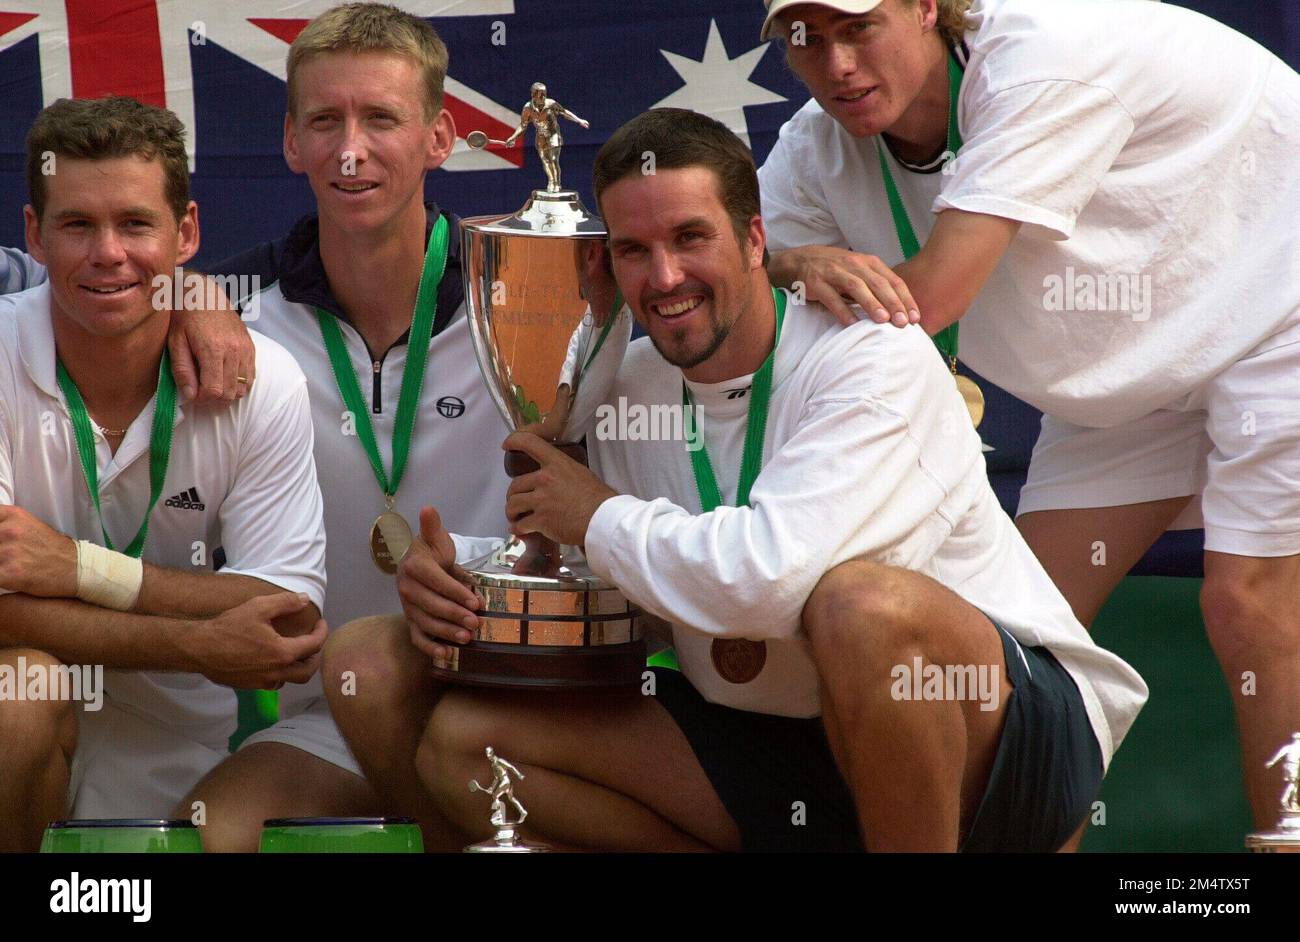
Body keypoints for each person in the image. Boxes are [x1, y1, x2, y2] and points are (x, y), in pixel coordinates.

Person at [325, 108, 1147, 852]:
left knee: (862, 609)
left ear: (757, 242)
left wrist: (598, 515)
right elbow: (622, 584)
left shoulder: (872, 359)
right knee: (430, 710)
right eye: (633, 251)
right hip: (780, 740)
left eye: (691, 238)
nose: (666, 277)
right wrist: (466, 580)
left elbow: (767, 578)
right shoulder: (629, 385)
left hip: (996, 737)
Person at [756, 0, 1300, 830]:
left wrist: (787, 273)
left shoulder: (1040, 59)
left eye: (859, 28)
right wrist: (788, 260)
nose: (836, 66)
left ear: (927, 8)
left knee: (1248, 602)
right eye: (807, 40)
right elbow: (734, 278)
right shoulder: (809, 150)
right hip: (1130, 375)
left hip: (1281, 297)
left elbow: (931, 296)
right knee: (1016, 652)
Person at [166, 2, 511, 850]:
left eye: (381, 118)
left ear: (440, 138)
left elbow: (689, 289)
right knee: (205, 837)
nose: (350, 149)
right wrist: (180, 291)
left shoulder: (526, 300)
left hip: (517, 699)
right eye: (325, 121)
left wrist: (787, 263)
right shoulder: (235, 308)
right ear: (291, 142)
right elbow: (80, 291)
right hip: (335, 714)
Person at [0, 96, 327, 852]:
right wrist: (196, 641)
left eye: (136, 224)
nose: (107, 252)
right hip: (22, 724)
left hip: (190, 753)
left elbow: (288, 615)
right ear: (33, 235)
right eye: (77, 225)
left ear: (186, 234)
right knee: (24, 694)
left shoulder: (259, 377)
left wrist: (75, 568)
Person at [502, 82, 590, 193]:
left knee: (553, 160)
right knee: (546, 161)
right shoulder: (527, 108)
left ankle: (557, 183)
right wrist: (513, 137)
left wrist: (579, 120)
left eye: (545, 94)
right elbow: (523, 125)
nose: (543, 97)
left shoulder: (551, 104)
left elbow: (564, 112)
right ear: (533, 95)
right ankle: (551, 181)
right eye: (540, 95)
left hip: (553, 135)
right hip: (540, 137)